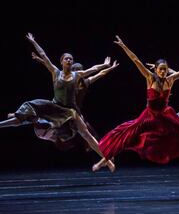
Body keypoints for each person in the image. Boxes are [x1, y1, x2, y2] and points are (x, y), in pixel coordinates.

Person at [92, 36, 179, 171]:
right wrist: (124, 46)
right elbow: (136, 60)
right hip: (149, 115)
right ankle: (105, 159)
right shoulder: (150, 78)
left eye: (165, 69)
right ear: (155, 69)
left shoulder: (170, 80)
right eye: (160, 69)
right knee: (127, 133)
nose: (163, 71)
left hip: (165, 114)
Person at [0, 33, 115, 171]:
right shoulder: (56, 72)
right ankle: (9, 120)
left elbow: (94, 70)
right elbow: (44, 56)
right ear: (61, 61)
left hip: (70, 111)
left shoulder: (77, 76)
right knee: (29, 109)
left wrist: (105, 65)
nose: (69, 60)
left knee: (87, 135)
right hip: (54, 106)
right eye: (66, 58)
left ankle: (107, 160)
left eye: (71, 59)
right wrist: (33, 42)